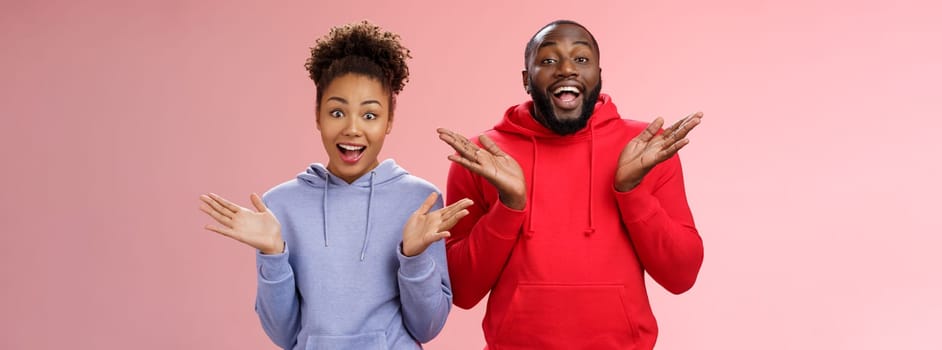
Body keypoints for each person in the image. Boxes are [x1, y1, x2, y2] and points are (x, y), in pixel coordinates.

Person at [198, 21, 472, 350]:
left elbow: (427, 327)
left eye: (369, 115)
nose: (353, 129)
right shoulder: (280, 206)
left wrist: (413, 257)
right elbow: (282, 335)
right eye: (337, 112)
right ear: (317, 115)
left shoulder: (419, 201)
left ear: (389, 121)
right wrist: (272, 253)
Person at [437, 19, 704, 349]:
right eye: (548, 60)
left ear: (598, 75)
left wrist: (631, 191)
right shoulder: (483, 156)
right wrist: (509, 206)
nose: (566, 69)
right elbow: (461, 290)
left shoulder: (645, 148)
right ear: (526, 79)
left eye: (581, 59)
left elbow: (682, 276)